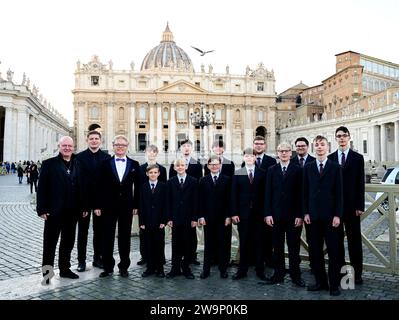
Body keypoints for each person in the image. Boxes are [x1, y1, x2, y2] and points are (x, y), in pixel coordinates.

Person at [37, 136, 87, 283]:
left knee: (68, 242)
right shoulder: (49, 164)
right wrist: (41, 209)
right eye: (64, 145)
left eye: (69, 146)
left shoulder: (78, 163)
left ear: (73, 147)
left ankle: (65, 269)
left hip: (72, 211)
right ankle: (47, 274)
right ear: (59, 146)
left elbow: (82, 187)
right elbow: (42, 188)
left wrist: (84, 206)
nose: (67, 148)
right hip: (54, 211)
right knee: (49, 243)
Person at [304, 135, 343, 296]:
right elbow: (304, 192)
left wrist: (338, 215)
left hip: (330, 217)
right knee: (315, 251)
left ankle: (334, 284)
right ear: (314, 148)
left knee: (334, 251)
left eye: (322, 145)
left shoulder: (335, 167)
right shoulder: (308, 167)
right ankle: (320, 282)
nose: (320, 147)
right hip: (312, 216)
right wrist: (305, 212)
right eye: (317, 145)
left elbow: (340, 194)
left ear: (328, 147)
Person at [97, 135, 141, 278]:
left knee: (125, 237)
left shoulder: (134, 164)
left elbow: (138, 187)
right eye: (117, 144)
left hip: (127, 206)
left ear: (127, 146)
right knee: (107, 237)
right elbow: (99, 186)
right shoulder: (105, 163)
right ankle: (108, 267)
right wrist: (98, 205)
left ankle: (124, 267)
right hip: (108, 206)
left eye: (123, 145)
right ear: (113, 146)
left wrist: (136, 205)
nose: (120, 147)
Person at [263, 142, 305, 287]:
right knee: (277, 247)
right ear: (277, 153)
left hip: (294, 216)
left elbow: (301, 195)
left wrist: (300, 215)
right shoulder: (271, 170)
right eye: (281, 151)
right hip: (275, 216)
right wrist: (267, 214)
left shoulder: (298, 170)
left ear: (290, 152)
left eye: (287, 151)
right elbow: (267, 193)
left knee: (294, 248)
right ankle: (278, 274)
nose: (284, 153)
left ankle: (295, 275)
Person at [328, 126, 365, 285]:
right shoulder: (330, 158)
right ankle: (342, 274)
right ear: (335, 139)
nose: (342, 138)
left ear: (349, 137)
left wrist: (360, 205)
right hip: (335, 208)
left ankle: (357, 274)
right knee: (336, 243)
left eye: (344, 135)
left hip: (352, 207)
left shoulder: (358, 158)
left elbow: (360, 183)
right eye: (339, 136)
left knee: (354, 241)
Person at [75, 130, 111, 272]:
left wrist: (100, 205)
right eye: (91, 139)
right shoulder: (78, 157)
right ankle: (81, 261)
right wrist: (83, 206)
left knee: (99, 232)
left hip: (100, 203)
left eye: (96, 139)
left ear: (100, 141)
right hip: (83, 202)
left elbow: (106, 183)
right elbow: (78, 183)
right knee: (82, 232)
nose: (94, 141)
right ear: (87, 140)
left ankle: (97, 258)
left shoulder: (107, 157)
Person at [231, 148, 267, 280]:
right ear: (244, 158)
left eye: (252, 156)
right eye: (247, 156)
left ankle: (260, 270)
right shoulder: (238, 173)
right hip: (243, 214)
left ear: (255, 158)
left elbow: (266, 194)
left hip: (259, 214)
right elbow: (234, 195)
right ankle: (242, 270)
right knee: (244, 242)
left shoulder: (263, 173)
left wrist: (266, 213)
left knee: (259, 242)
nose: (249, 158)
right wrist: (234, 213)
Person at [242, 136, 276, 267]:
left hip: (264, 205)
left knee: (266, 235)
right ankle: (252, 260)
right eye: (256, 144)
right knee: (250, 235)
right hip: (249, 206)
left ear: (265, 145)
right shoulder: (247, 161)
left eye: (261, 144)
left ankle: (267, 259)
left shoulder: (271, 161)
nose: (259, 146)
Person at [169, 139, 202, 266]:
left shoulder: (197, 164)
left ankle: (192, 257)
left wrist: (196, 214)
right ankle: (177, 260)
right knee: (177, 238)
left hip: (189, 208)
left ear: (191, 148)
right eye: (184, 146)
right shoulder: (174, 164)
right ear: (180, 148)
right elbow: (171, 185)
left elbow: (197, 188)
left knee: (191, 236)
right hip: (177, 209)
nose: (186, 148)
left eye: (188, 146)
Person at [198, 156, 231, 279]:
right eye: (212, 164)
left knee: (223, 244)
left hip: (223, 218)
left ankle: (223, 269)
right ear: (208, 166)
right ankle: (205, 270)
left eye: (216, 164)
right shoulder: (202, 180)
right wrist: (201, 216)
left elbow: (229, 200)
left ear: (220, 165)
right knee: (208, 245)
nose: (214, 166)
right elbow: (200, 201)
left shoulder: (227, 180)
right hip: (208, 218)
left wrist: (228, 216)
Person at [166, 158, 198, 279]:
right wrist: (169, 218)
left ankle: (186, 268)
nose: (180, 167)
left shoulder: (193, 181)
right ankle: (175, 268)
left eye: (182, 165)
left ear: (186, 167)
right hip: (175, 218)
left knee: (188, 244)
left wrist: (194, 218)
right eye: (177, 165)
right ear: (174, 168)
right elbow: (168, 201)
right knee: (176, 244)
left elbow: (196, 200)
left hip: (189, 218)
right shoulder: (170, 182)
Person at [137, 145, 167, 266]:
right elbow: (138, 189)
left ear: (157, 153)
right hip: (145, 206)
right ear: (146, 153)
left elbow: (164, 188)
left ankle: (160, 257)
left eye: (154, 152)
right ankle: (145, 257)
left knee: (159, 236)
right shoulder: (140, 168)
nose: (151, 154)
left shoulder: (163, 169)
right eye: (149, 151)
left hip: (158, 207)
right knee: (144, 235)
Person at [291, 137, 315, 273]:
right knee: (294, 238)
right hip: (294, 206)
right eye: (298, 146)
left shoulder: (314, 161)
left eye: (303, 146)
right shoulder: (291, 161)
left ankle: (314, 263)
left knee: (312, 238)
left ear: (307, 147)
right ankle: (295, 264)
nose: (300, 148)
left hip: (310, 205)